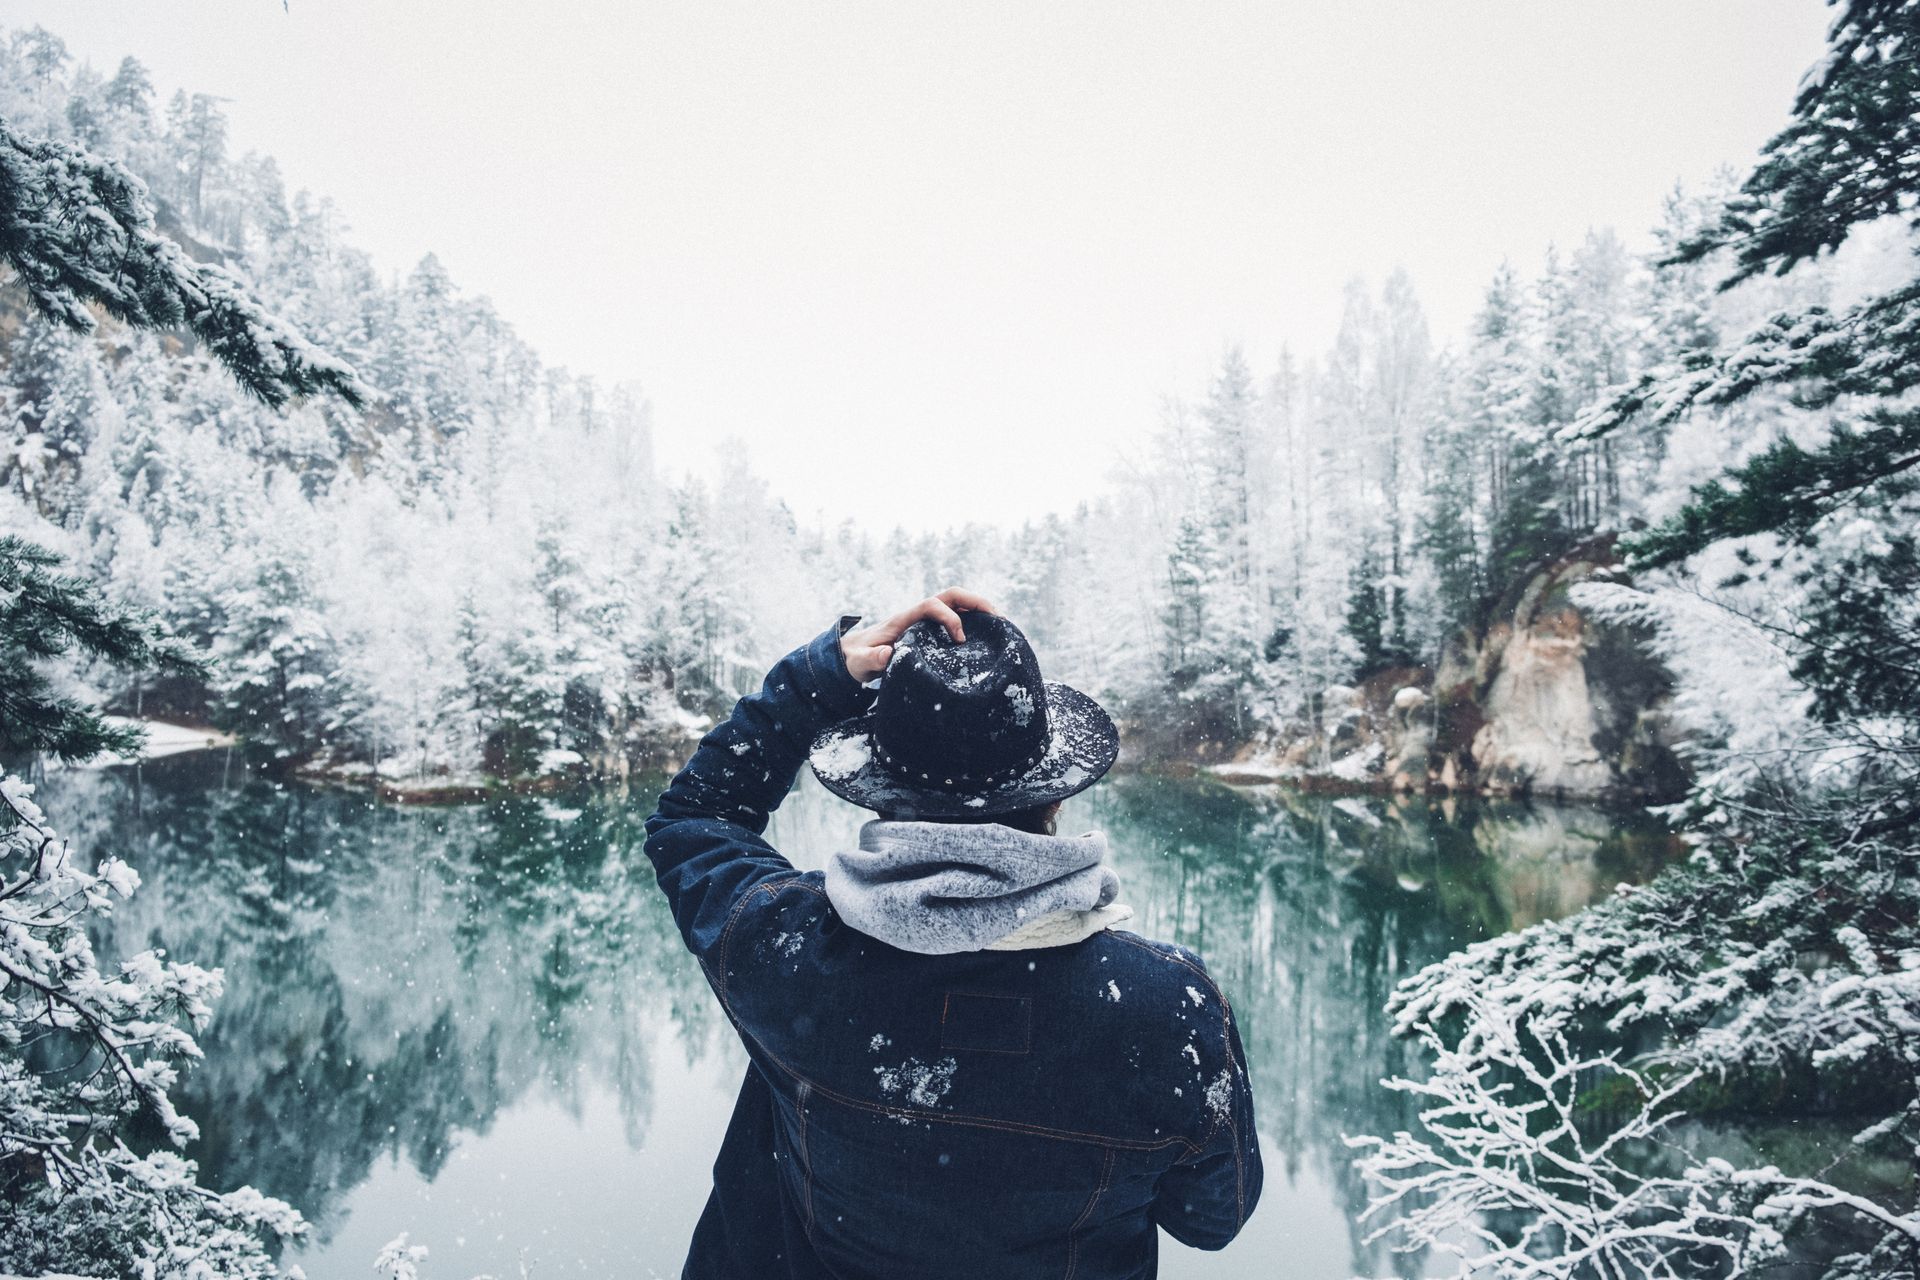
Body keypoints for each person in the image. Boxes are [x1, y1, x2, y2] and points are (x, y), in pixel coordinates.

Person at [645, 589, 1261, 1279]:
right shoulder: (1168, 1008)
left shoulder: (786, 954)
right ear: (1056, 792)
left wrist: (819, 679)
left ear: (877, 789)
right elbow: (1210, 1221)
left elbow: (696, 817)